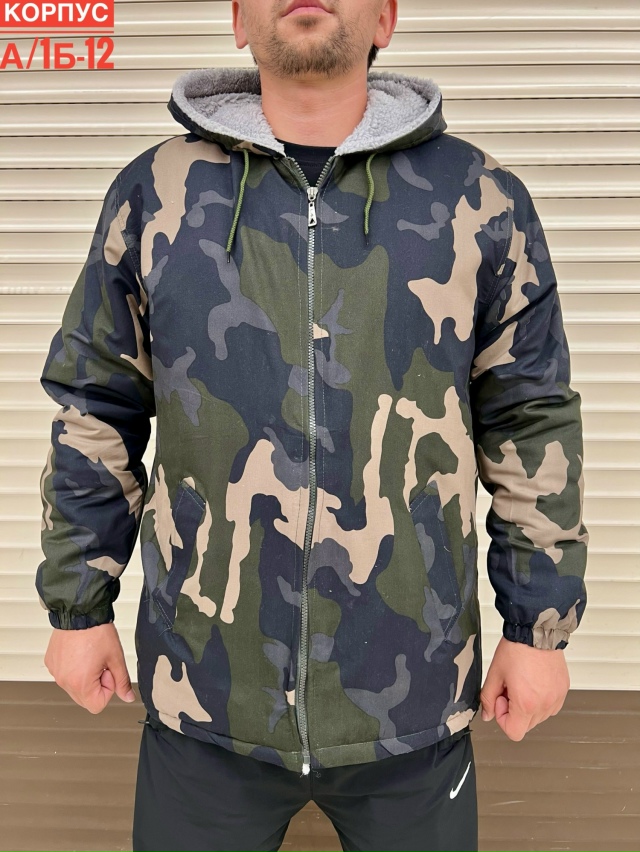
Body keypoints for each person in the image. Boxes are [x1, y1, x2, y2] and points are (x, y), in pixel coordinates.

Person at [35, 1, 590, 850]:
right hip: (205, 695)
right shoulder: (154, 193)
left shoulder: (480, 199)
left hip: (412, 700)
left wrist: (538, 629)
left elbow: (531, 415)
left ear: (386, 19)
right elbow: (95, 402)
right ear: (237, 19)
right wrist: (78, 608)